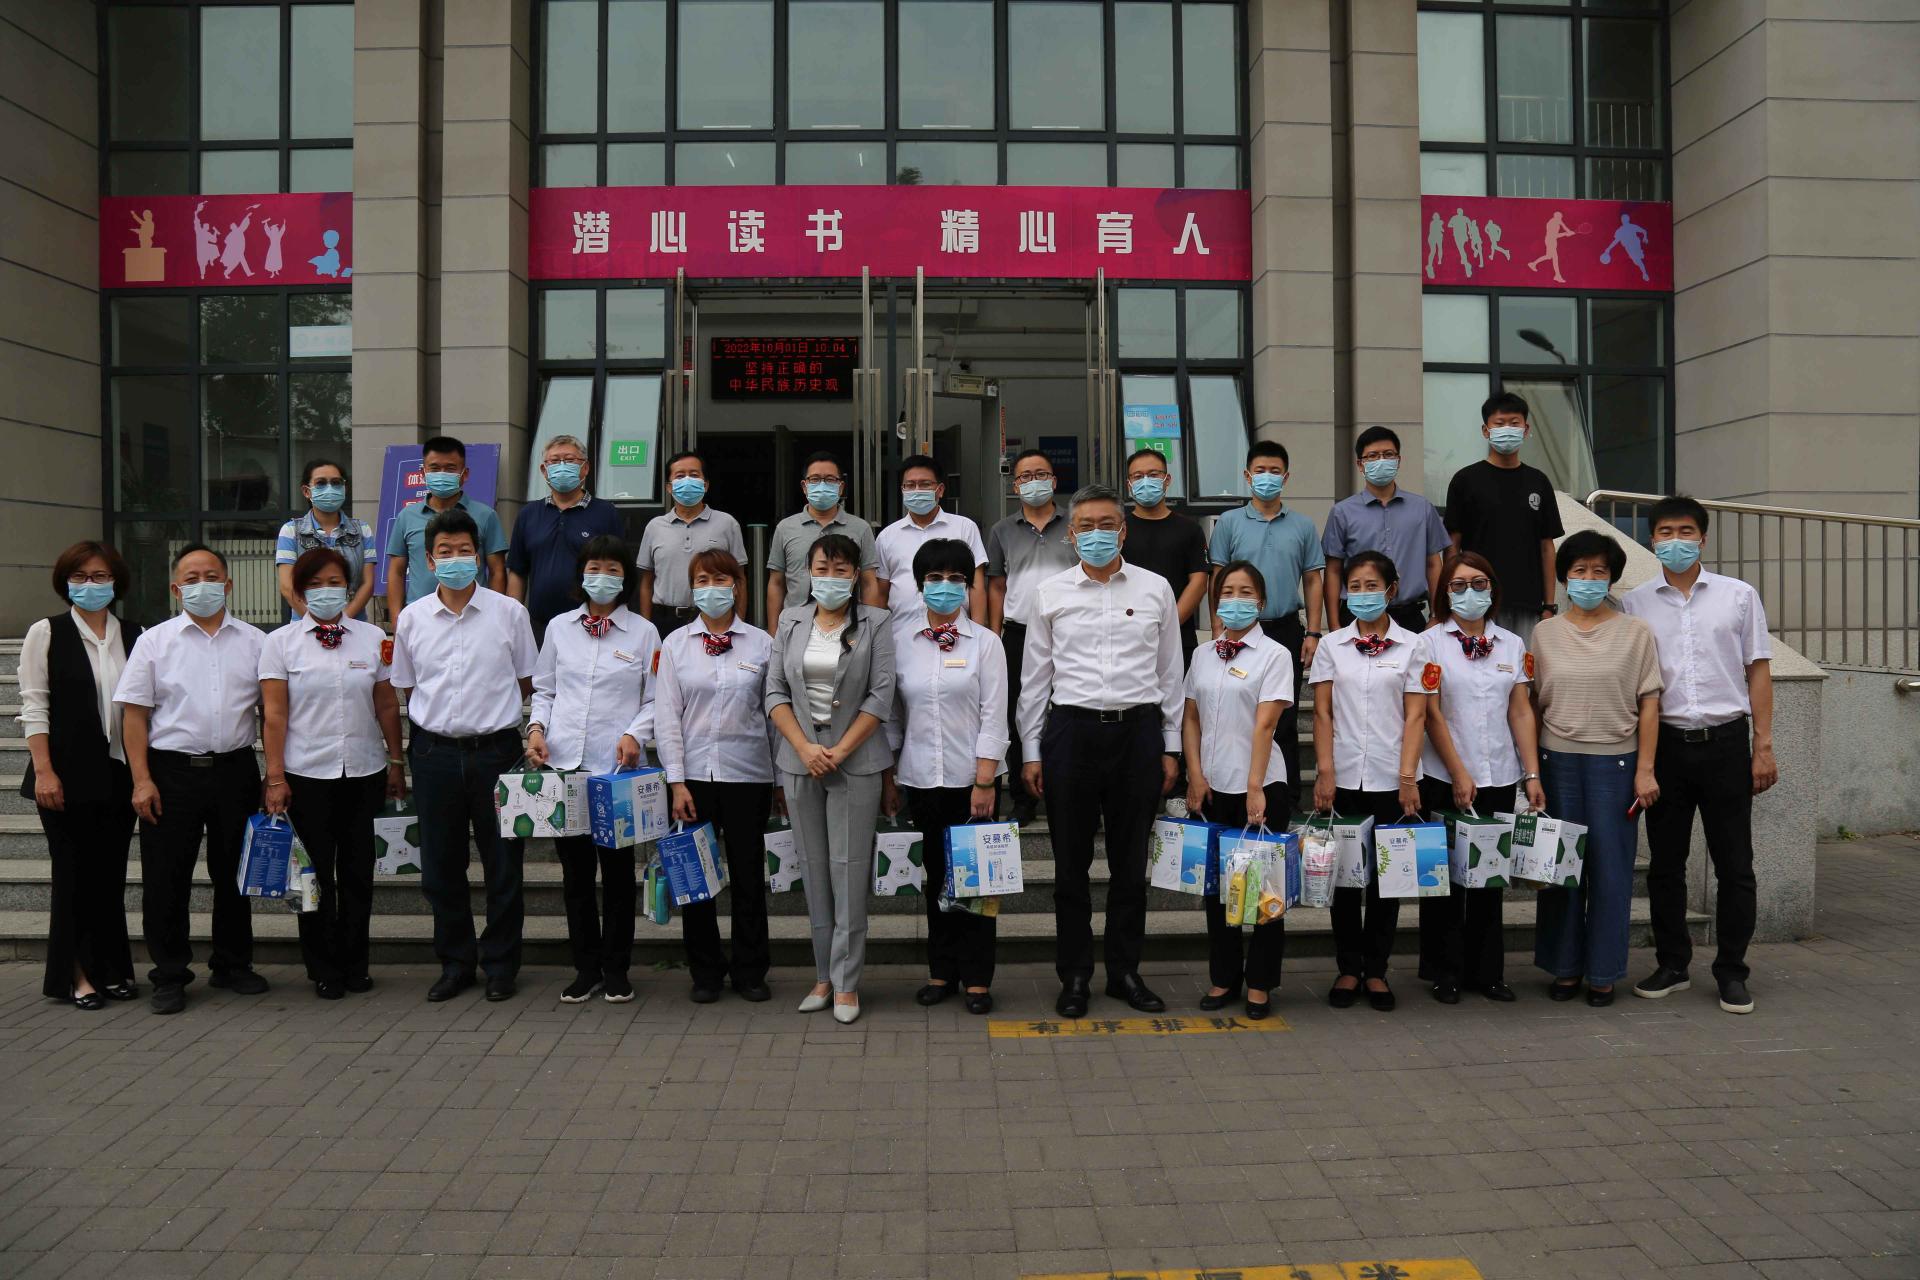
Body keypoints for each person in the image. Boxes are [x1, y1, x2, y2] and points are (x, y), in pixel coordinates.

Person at [1017, 484, 1182, 1019]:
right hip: (1071, 733)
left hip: (1137, 734)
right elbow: (1035, 678)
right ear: (1071, 534)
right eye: (1085, 526)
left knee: (1130, 866)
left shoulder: (1156, 589)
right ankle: (1075, 975)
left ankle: (1124, 972)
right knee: (1070, 867)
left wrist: (1172, 746)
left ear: (1123, 531)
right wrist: (1031, 750)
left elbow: (1170, 675)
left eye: (1106, 524)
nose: (1096, 534)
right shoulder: (1050, 593)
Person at [1622, 496, 1776, 1015]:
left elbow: (1758, 670)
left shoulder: (1738, 596)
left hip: (1726, 743)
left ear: (1703, 538)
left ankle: (1732, 971)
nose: (1676, 540)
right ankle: (1673, 964)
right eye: (1665, 532)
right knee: (1666, 865)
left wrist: (1763, 746)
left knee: (1736, 865)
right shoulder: (1635, 603)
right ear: (1652, 540)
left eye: (1685, 531)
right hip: (1665, 745)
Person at [389, 509, 539, 1004]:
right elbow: (406, 686)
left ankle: (500, 966)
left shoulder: (509, 613)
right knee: (440, 867)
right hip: (433, 753)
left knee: (504, 866)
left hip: (497, 753)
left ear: (478, 556)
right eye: (445, 552)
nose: (455, 559)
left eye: (464, 550)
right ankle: (456, 964)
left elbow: (528, 681)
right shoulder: (412, 619)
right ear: (430, 561)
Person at [114, 545, 267, 1016]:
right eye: (192, 578)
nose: (203, 585)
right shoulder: (154, 641)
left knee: (234, 873)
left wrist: (275, 773)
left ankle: (232, 964)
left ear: (228, 584)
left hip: (236, 769)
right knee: (166, 878)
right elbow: (134, 716)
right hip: (171, 772)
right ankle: (170, 974)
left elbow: (272, 711)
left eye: (212, 576)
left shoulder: (256, 641)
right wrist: (142, 780)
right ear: (176, 589)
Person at [1400, 552, 1546, 1005]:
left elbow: (1520, 711)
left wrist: (1531, 773)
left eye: (1479, 583)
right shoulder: (1428, 644)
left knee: (1489, 879)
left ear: (1492, 589)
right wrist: (1459, 772)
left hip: (1498, 775)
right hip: (1444, 776)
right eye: (1459, 585)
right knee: (1444, 881)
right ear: (1445, 592)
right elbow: (1431, 714)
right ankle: (1445, 971)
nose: (1470, 592)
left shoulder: (1512, 644)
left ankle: (1489, 973)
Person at [260, 548, 407, 999]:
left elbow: (386, 704)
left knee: (359, 874)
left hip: (364, 770)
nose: (326, 591)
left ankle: (355, 963)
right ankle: (323, 966)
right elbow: (274, 715)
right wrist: (275, 776)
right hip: (306, 774)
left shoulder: (372, 637)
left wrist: (396, 761)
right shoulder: (280, 643)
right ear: (300, 592)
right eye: (315, 584)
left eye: (335, 582)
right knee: (315, 875)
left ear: (349, 587)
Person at [766, 534, 896, 1025]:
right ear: (808, 572)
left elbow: (881, 695)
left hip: (855, 761)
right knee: (815, 870)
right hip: (800, 759)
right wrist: (803, 747)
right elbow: (774, 690)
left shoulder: (877, 622)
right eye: (822, 568)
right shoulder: (790, 620)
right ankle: (822, 975)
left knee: (849, 870)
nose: (831, 578)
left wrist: (839, 750)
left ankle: (846, 982)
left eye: (842, 570)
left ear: (856, 575)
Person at [1531, 530, 1662, 1008]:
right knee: (1560, 869)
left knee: (1610, 872)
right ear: (1565, 577)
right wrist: (1531, 772)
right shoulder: (1544, 633)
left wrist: (1645, 770)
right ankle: (1564, 967)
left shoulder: (1636, 632)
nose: (1588, 579)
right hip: (1556, 762)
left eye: (1599, 571)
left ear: (1612, 578)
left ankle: (1603, 972)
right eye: (1579, 571)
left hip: (1617, 764)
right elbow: (1531, 705)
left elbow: (1650, 703)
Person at [527, 534, 659, 1005]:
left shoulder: (644, 632)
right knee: (575, 875)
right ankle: (585, 968)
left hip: (615, 772)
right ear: (581, 575)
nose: (602, 577)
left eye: (613, 569)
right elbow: (544, 689)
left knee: (618, 875)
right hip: (565, 766)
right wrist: (536, 729)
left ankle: (616, 968)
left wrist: (635, 734)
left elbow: (655, 698)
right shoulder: (560, 628)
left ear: (626, 578)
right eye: (594, 568)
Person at [882, 539, 1009, 1016]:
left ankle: (977, 978)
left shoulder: (987, 644)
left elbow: (995, 715)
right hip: (920, 778)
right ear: (919, 586)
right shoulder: (901, 643)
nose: (945, 586)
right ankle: (941, 972)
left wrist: (985, 780)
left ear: (969, 586)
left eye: (956, 578)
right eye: (934, 578)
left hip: (971, 781)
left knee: (976, 883)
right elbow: (893, 717)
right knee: (936, 877)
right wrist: (890, 778)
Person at [20, 542, 143, 1009]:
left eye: (100, 576)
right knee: (72, 875)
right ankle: (75, 974)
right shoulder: (46, 633)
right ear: (65, 582)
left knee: (109, 876)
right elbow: (34, 706)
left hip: (118, 774)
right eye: (80, 576)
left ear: (116, 581)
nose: (90, 585)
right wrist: (44, 771)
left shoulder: (135, 634)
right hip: (64, 776)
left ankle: (111, 969)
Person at [656, 549, 777, 1004]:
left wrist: (780, 781)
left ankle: (750, 971)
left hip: (749, 776)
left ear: (738, 586)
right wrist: (676, 782)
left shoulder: (762, 644)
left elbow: (774, 717)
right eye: (702, 580)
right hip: (694, 779)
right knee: (695, 880)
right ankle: (705, 972)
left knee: (748, 878)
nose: (712, 588)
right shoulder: (675, 645)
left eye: (721, 579)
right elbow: (668, 718)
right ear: (692, 589)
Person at [1308, 550, 1423, 1013]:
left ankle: (1376, 970)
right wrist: (1325, 771)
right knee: (1344, 879)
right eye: (1354, 587)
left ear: (1391, 590)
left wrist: (1408, 777)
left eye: (1371, 586)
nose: (1362, 594)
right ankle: (1348, 968)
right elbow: (1322, 713)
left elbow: (1416, 716)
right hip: (1344, 776)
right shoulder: (1332, 646)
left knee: (1385, 880)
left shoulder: (1413, 646)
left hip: (1393, 778)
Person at [1182, 561, 1294, 1020]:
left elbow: (1266, 724)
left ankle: (1260, 982)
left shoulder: (1274, 654)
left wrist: (1254, 786)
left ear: (1261, 602)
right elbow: (1191, 716)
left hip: (1261, 786)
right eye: (1227, 592)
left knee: (1264, 891)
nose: (1235, 600)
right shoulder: (1203, 654)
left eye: (1246, 592)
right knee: (1217, 891)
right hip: (1211, 786)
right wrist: (1194, 774)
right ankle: (1224, 975)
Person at [1206, 440, 1325, 806]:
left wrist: (1313, 631)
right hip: (1238, 629)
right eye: (1260, 471)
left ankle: (1286, 798)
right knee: (1236, 713)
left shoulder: (1302, 525)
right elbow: (1217, 577)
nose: (1267, 477)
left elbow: (1313, 579)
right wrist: (1217, 628)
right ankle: (1234, 790)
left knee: (1283, 718)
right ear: (1247, 476)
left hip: (1285, 629)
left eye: (1275, 471)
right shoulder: (1229, 522)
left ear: (1285, 477)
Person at [984, 449, 1077, 825]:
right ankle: (1023, 799)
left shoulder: (1075, 524)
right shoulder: (1001, 530)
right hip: (1019, 634)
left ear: (1054, 480)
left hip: (1070, 633)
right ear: (1014, 485)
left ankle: (1064, 791)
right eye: (1024, 476)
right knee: (1018, 712)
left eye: (1040, 474)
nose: (1032, 482)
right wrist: (995, 635)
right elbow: (996, 585)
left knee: (1067, 711)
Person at [1443, 393, 1564, 644]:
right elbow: (1452, 545)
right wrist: (1453, 596)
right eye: (1499, 424)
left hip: (1527, 602)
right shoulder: (1465, 480)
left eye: (1514, 423)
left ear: (1526, 429)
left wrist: (1549, 605)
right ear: (1486, 430)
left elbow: (1547, 547)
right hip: (1476, 600)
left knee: (1523, 666)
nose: (1507, 429)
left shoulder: (1538, 481)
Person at [1322, 427, 1450, 635]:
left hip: (1409, 616)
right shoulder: (1342, 512)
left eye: (1388, 454)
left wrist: (1436, 615)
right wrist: (1334, 625)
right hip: (1357, 617)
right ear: (1360, 464)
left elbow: (1434, 564)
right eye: (1372, 456)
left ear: (1398, 460)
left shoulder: (1422, 508)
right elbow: (1333, 570)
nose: (1381, 460)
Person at [508, 434, 625, 641]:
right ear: (544, 470)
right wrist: (513, 621)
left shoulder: (606, 513)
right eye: (554, 461)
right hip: (539, 626)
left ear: (585, 468)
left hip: (592, 624)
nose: (562, 466)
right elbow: (517, 572)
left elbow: (620, 569)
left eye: (570, 460)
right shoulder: (528, 514)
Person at [385, 435, 509, 618]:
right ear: (423, 473)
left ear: (464, 474)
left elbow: (497, 571)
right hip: (421, 617)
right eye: (434, 468)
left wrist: (494, 615)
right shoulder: (406, 517)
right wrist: (397, 620)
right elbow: (396, 572)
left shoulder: (486, 515)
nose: (441, 474)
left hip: (474, 614)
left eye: (450, 469)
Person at [637, 450, 749, 636]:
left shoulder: (727, 523)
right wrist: (646, 629)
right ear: (669, 487)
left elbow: (740, 579)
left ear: (705, 485)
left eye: (694, 475)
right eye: (680, 476)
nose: (687, 480)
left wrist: (739, 625)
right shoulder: (654, 527)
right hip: (664, 620)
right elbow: (647, 583)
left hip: (715, 618)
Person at [875, 454, 988, 628]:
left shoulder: (964, 528)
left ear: (940, 490)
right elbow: (881, 593)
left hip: (957, 631)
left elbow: (976, 586)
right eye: (910, 485)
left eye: (925, 484)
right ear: (902, 490)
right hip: (902, 631)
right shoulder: (887, 536)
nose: (917, 490)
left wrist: (979, 633)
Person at [765, 452, 881, 621]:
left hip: (848, 623)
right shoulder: (785, 528)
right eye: (815, 479)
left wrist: (870, 627)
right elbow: (776, 583)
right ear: (804, 486)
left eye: (830, 479)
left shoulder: (860, 528)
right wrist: (774, 631)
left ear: (841, 486)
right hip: (795, 623)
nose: (822, 485)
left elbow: (868, 583)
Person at [1122, 449, 1210, 670]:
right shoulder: (1118, 530)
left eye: (1153, 474)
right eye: (1138, 476)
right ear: (1129, 484)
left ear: (1167, 479)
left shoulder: (1189, 529)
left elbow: (1199, 581)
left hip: (1179, 636)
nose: (1145, 481)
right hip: (1127, 637)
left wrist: (1168, 626)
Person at [276, 458, 376, 618]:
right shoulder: (291, 531)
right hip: (305, 625)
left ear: (345, 488)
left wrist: (342, 622)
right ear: (306, 491)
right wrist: (316, 624)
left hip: (353, 624)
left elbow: (368, 583)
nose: (330, 488)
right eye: (321, 483)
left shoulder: (362, 530)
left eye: (336, 483)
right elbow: (287, 587)